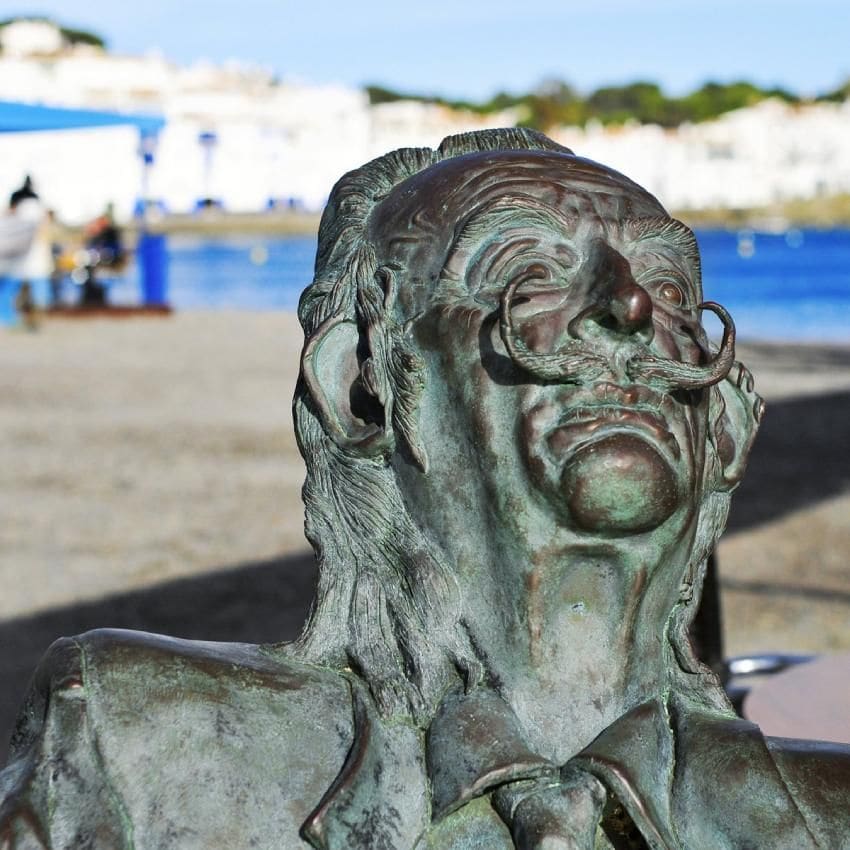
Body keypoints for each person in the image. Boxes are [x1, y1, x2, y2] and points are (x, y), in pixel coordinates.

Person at [0, 130, 847, 849]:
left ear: (728, 423)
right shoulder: (139, 751)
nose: (627, 306)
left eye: (668, 289)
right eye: (528, 269)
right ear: (359, 387)